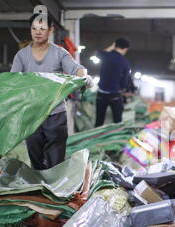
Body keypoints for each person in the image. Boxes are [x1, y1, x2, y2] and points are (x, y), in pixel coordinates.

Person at [11, 13, 92, 170]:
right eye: (34, 28)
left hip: (55, 115)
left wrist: (85, 76)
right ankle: (38, 192)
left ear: (51, 30)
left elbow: (76, 69)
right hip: (32, 115)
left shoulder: (60, 53)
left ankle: (54, 191)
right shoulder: (22, 56)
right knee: (36, 162)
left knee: (56, 163)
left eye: (42, 28)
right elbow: (13, 81)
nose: (37, 32)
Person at [95, 38, 131, 127]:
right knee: (118, 122)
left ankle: (96, 138)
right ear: (125, 49)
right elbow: (124, 81)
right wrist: (122, 88)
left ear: (115, 46)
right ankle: (116, 138)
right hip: (115, 95)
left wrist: (112, 47)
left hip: (101, 94)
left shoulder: (106, 56)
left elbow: (98, 54)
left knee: (99, 121)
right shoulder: (124, 62)